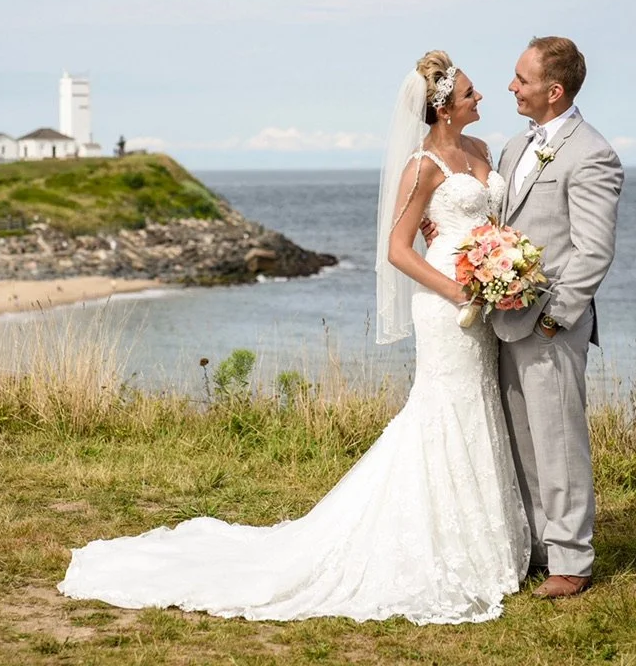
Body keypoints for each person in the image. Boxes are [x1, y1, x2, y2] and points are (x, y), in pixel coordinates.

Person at [56, 51, 530, 625]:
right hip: (447, 304)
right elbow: (398, 249)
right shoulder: (423, 164)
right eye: (471, 93)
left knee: (479, 405)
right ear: (443, 106)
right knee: (444, 409)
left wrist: (505, 264)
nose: (482, 99)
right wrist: (457, 291)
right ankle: (443, 548)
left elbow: (493, 222)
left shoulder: (481, 151)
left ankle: (487, 543)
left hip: (486, 293)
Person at [492, 37, 623, 598]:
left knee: (559, 440)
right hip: (504, 319)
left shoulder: (592, 153)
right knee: (523, 440)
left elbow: (593, 250)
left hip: (551, 324)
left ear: (554, 90)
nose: (511, 87)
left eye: (521, 79)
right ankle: (539, 549)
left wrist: (556, 319)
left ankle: (573, 562)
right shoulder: (512, 149)